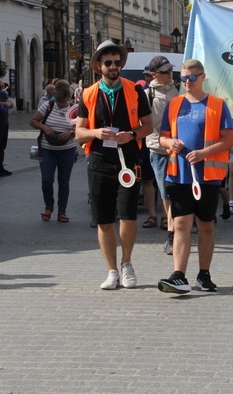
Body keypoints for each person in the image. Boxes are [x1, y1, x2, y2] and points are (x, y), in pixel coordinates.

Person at [74, 40, 153, 290]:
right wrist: (96, 133)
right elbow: (79, 133)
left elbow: (148, 126)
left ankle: (127, 264)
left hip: (128, 160)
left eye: (117, 62)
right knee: (104, 219)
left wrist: (132, 135)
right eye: (108, 62)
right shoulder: (88, 94)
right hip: (99, 161)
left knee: (128, 216)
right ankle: (111, 270)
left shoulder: (134, 90)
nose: (113, 66)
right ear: (99, 66)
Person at [157, 59, 233, 294]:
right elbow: (162, 137)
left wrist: (203, 153)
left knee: (206, 226)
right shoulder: (174, 105)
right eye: (183, 78)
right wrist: (170, 142)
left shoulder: (217, 105)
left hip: (207, 176)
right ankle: (178, 275)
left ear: (202, 77)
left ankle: (204, 275)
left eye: (192, 78)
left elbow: (229, 139)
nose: (187, 82)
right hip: (178, 175)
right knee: (180, 224)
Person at [144, 55, 182, 254]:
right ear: (154, 75)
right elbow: (144, 123)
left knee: (177, 191)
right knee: (166, 193)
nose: (170, 74)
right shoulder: (147, 94)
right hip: (158, 150)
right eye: (165, 72)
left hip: (179, 149)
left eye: (170, 71)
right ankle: (171, 233)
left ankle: (176, 230)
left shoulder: (179, 89)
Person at [29, 79, 78, 222]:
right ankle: (48, 206)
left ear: (68, 98)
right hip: (47, 149)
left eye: (63, 102)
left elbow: (82, 127)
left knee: (64, 181)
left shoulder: (74, 109)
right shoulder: (48, 106)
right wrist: (45, 128)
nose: (61, 105)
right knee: (47, 179)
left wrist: (70, 133)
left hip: (67, 150)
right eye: (58, 101)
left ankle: (62, 211)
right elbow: (33, 121)